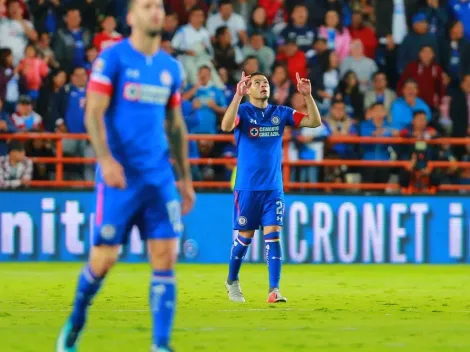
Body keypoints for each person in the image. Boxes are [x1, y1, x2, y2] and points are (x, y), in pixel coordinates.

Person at [56, 1, 195, 352]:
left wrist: (186, 180)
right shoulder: (113, 59)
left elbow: (175, 126)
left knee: (165, 258)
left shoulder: (170, 68)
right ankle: (75, 321)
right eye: (148, 6)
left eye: (159, 7)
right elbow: (93, 112)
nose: (156, 12)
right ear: (131, 17)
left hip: (159, 177)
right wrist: (105, 159)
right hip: (120, 179)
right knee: (103, 261)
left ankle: (161, 346)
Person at [221, 71, 321, 303]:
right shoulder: (244, 112)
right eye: (257, 82)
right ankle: (232, 280)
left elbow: (314, 122)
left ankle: (274, 290)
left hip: (273, 188)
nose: (263, 85)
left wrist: (307, 96)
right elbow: (226, 126)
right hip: (247, 188)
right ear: (249, 89)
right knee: (244, 238)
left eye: (265, 82)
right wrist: (237, 97)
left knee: (273, 236)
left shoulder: (281, 113)